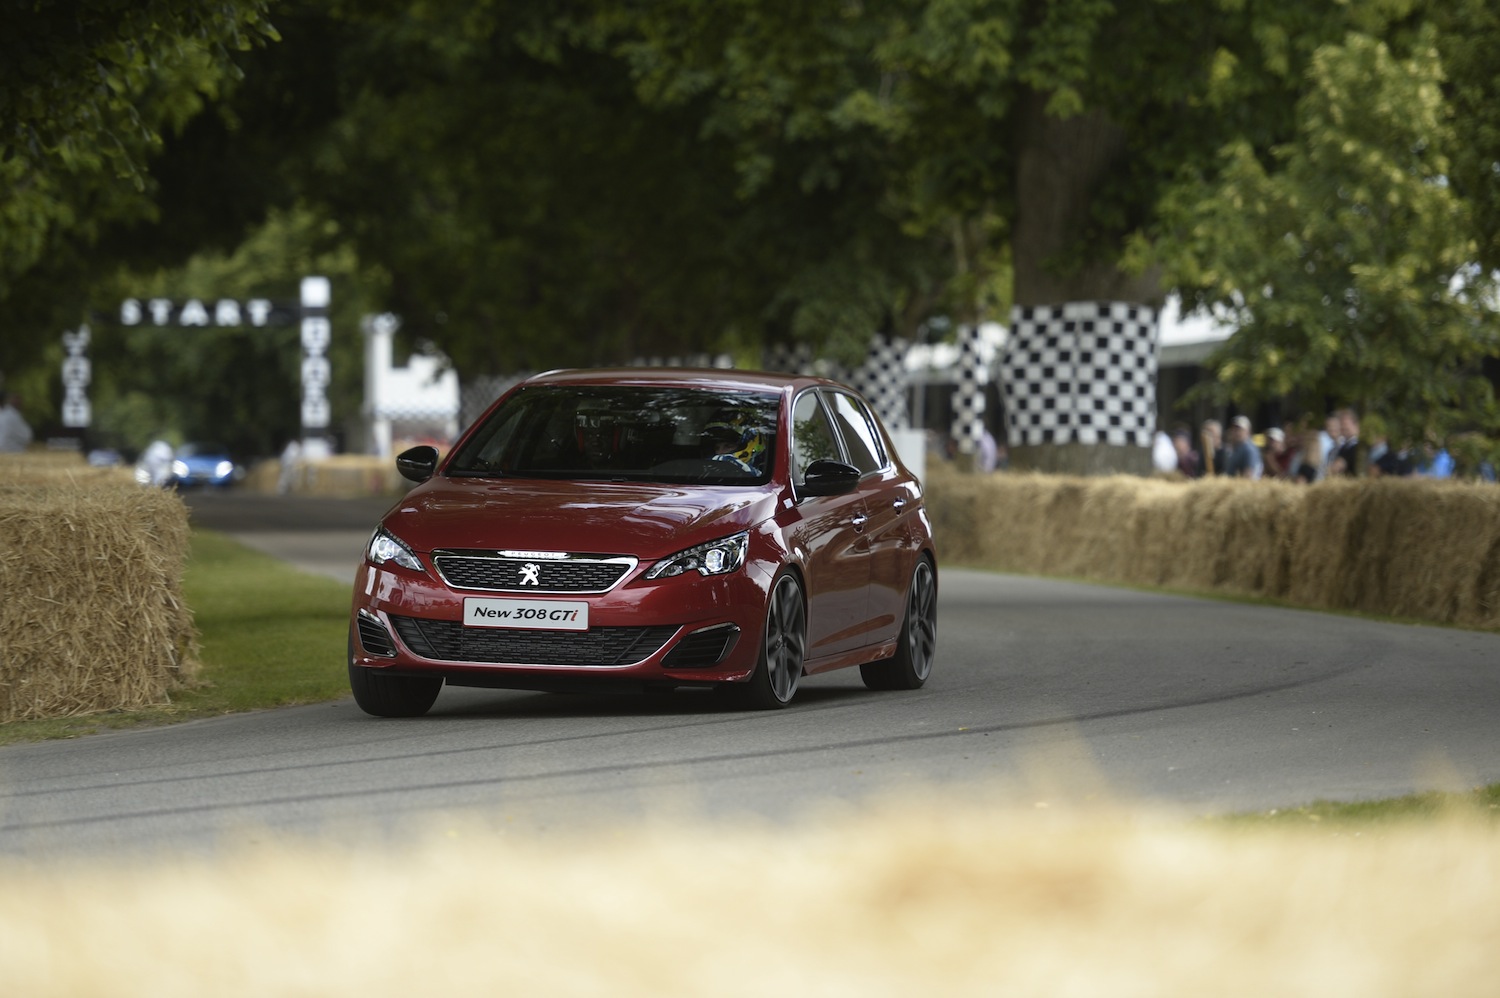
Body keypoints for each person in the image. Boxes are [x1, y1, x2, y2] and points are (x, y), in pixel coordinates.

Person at [1221, 415, 1263, 479]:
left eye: (1239, 430)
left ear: (1248, 432)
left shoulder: (1248, 449)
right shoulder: (1236, 447)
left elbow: (1248, 474)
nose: (1236, 432)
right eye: (1234, 429)